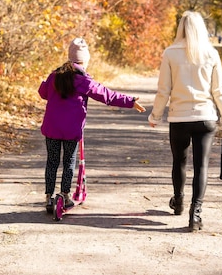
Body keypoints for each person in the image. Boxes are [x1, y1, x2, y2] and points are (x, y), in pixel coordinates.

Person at [147, 11, 222, 232]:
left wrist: (155, 116)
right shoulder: (211, 53)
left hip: (179, 117)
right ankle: (195, 215)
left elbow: (163, 90)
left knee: (179, 161)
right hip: (205, 117)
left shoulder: (170, 53)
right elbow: (218, 90)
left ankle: (178, 201)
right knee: (201, 166)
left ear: (181, 28)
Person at [39, 37, 146, 213]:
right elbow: (108, 96)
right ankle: (65, 195)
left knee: (52, 162)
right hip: (71, 131)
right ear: (85, 60)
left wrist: (48, 84)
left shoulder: (54, 76)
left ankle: (48, 197)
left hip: (51, 128)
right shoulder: (84, 81)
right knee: (68, 162)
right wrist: (130, 102)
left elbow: (43, 93)